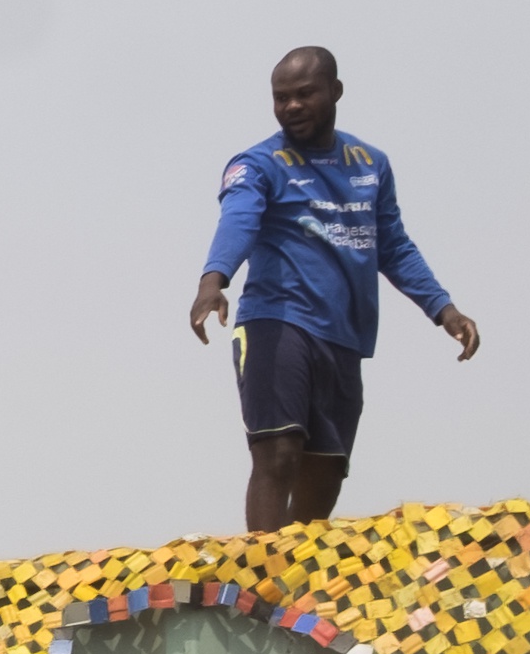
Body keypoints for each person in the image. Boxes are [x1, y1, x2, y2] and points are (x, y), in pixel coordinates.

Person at [185, 48, 481, 532]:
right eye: (281, 98)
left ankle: (292, 578)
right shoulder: (258, 163)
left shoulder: (370, 164)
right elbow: (238, 218)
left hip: (343, 338)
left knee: (325, 472)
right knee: (278, 450)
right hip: (277, 322)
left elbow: (393, 245)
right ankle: (260, 575)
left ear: (335, 92)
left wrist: (443, 310)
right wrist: (213, 280)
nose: (292, 107)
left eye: (304, 94)